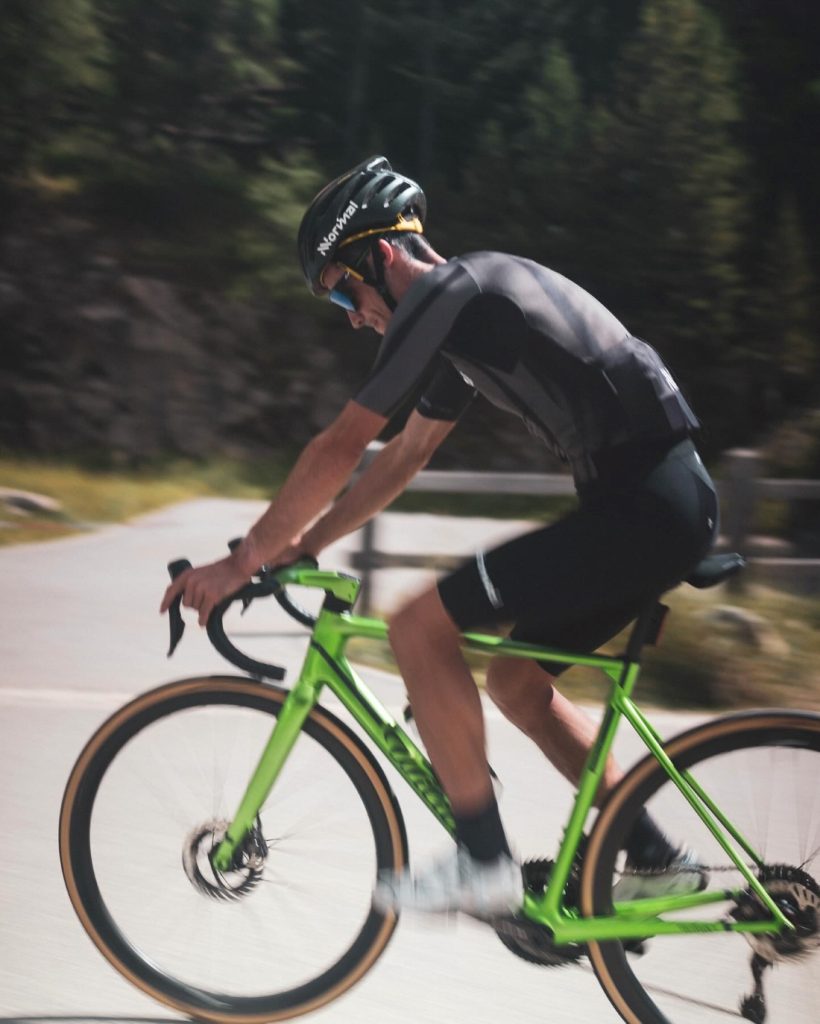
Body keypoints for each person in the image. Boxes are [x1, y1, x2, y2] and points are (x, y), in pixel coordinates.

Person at [161, 155, 718, 918]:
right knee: (518, 684)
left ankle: (482, 863)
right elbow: (401, 459)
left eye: (341, 291)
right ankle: (655, 858)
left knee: (419, 627)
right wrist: (302, 547)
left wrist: (241, 559)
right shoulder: (467, 323)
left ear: (382, 255)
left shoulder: (456, 291)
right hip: (651, 502)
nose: (352, 315)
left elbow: (340, 443)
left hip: (648, 503)